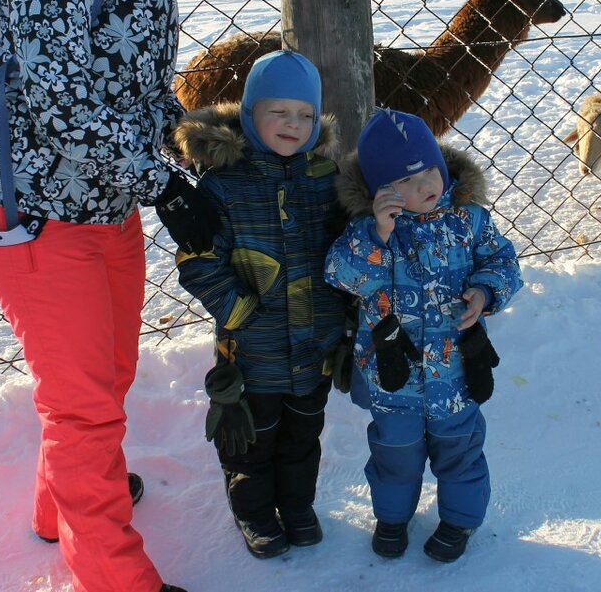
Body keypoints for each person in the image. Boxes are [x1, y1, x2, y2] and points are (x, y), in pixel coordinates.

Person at [0, 0, 216, 591]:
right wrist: (162, 186)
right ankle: (114, 576)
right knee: (83, 406)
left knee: (105, 373)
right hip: (33, 208)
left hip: (106, 200)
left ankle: (60, 505)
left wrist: (197, 153)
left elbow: (145, 97)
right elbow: (61, 106)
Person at [324, 108, 523, 564]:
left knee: (462, 452)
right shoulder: (369, 234)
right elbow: (340, 275)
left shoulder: (469, 220)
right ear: (381, 192)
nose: (427, 186)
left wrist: (484, 291)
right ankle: (392, 518)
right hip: (394, 381)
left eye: (431, 170)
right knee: (395, 455)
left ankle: (459, 521)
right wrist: (379, 232)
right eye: (408, 183)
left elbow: (504, 263)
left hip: (456, 373)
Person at [172, 50, 350, 559]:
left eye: (306, 115)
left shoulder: (324, 178)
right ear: (250, 114)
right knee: (252, 438)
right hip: (251, 347)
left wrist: (346, 313)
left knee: (303, 435)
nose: (294, 124)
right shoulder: (222, 184)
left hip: (315, 343)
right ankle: (252, 511)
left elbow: (344, 245)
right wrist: (238, 312)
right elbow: (199, 260)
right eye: (280, 112)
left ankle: (296, 506)